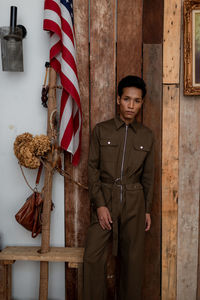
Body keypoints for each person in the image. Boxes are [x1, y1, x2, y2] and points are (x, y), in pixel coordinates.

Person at [83, 75, 154, 300]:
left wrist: (146, 209)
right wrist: (100, 205)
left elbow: (149, 177)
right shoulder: (101, 130)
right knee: (92, 258)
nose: (131, 105)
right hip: (106, 198)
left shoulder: (147, 136)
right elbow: (92, 170)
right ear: (118, 100)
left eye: (137, 101)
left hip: (135, 201)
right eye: (127, 99)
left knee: (133, 263)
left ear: (142, 103)